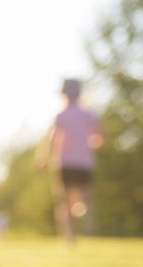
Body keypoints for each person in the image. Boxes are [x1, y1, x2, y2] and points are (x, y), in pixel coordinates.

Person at [36, 78, 103, 243]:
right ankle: (80, 210)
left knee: (64, 202)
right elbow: (99, 138)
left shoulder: (62, 115)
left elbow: (51, 139)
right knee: (84, 198)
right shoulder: (89, 114)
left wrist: (43, 159)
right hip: (84, 163)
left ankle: (69, 237)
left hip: (65, 163)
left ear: (64, 95)